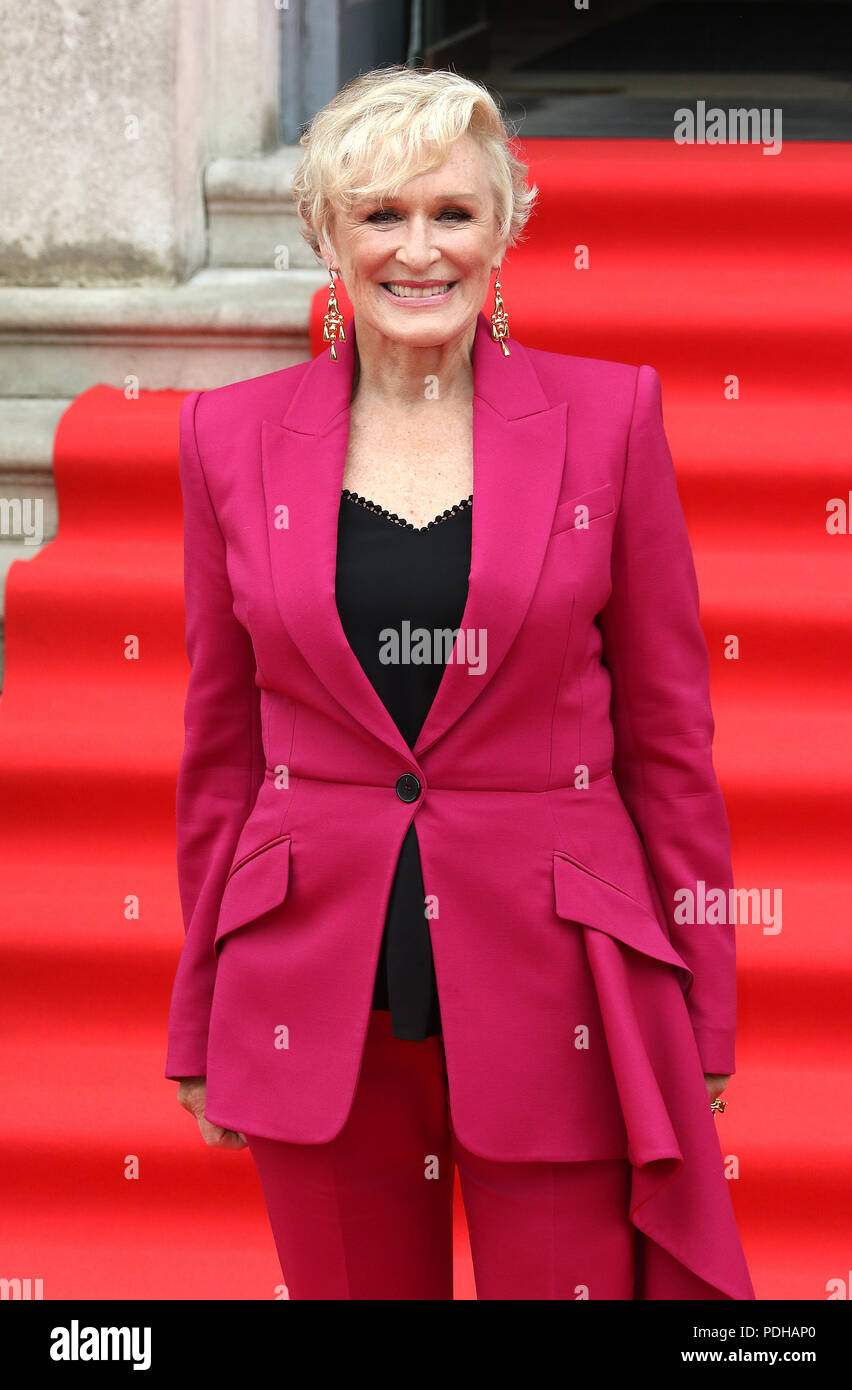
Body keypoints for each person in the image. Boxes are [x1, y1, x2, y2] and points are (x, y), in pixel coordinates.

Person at [165, 64, 755, 1301]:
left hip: (561, 984)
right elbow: (221, 750)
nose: (418, 250)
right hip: (310, 975)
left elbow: (667, 741)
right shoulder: (226, 437)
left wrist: (699, 1008)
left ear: (505, 228)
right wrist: (197, 1006)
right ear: (325, 234)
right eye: (380, 215)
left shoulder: (607, 418)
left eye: (452, 213)